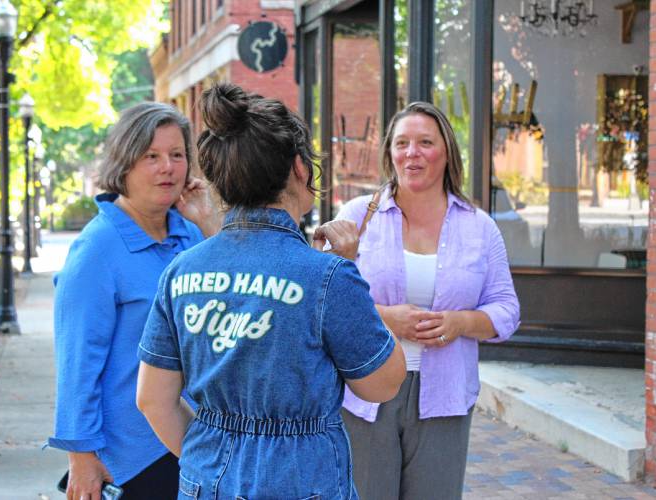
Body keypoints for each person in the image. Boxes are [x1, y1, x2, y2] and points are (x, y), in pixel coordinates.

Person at [135, 83, 406, 499]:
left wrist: (208, 453)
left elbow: (153, 400)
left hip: (205, 479)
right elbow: (382, 384)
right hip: (303, 480)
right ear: (299, 167)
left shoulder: (180, 271)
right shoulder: (328, 276)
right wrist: (350, 271)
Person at [337, 101, 520, 500]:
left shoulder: (479, 227)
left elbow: (506, 308)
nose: (411, 153)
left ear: (447, 152)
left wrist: (461, 323)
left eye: (424, 142)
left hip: (446, 393)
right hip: (367, 390)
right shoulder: (357, 218)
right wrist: (385, 318)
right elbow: (325, 301)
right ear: (389, 152)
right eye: (401, 143)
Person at [48, 102, 220, 500]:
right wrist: (81, 456)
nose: (169, 168)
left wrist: (209, 221)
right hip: (133, 454)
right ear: (124, 163)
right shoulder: (97, 250)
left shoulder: (190, 234)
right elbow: (77, 362)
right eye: (152, 156)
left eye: (177, 155)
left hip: (194, 438)